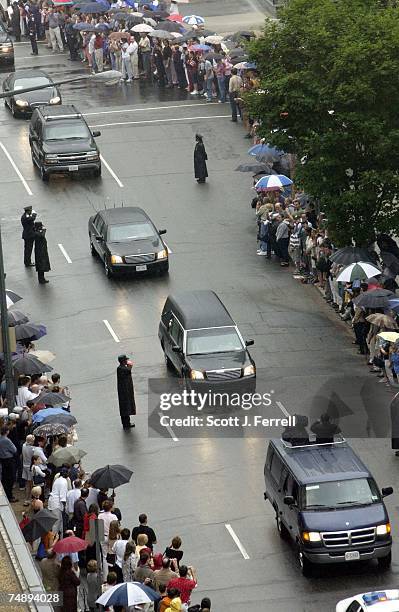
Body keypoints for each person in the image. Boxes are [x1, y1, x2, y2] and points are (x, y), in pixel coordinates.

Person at [47, 467, 69, 536]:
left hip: (53, 502)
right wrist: (65, 508)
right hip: (56, 504)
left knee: (60, 521)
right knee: (56, 523)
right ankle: (53, 539)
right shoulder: (64, 482)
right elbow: (63, 497)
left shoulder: (58, 479)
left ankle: (60, 537)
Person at [116, 355, 136, 430]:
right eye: (126, 360)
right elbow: (128, 370)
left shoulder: (121, 368)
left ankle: (127, 422)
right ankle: (126, 423)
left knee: (125, 407)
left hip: (124, 391)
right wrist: (130, 366)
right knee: (125, 407)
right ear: (123, 361)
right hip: (124, 392)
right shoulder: (121, 368)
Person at [0, 426, 17, 502]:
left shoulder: (0, 438)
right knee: (10, 478)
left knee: (4, 478)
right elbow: (14, 449)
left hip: (2, 460)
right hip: (9, 460)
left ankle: (6, 494)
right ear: (7, 431)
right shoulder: (7, 440)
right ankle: (9, 496)